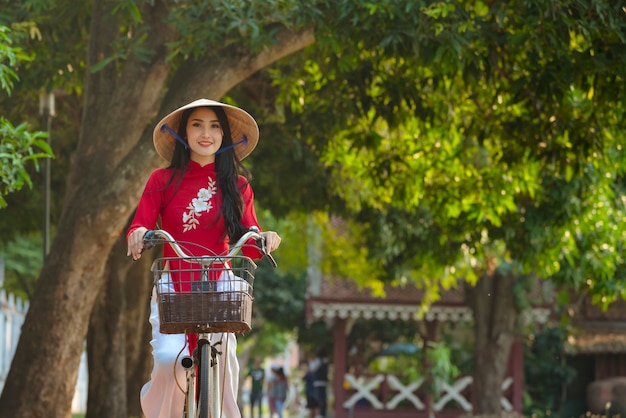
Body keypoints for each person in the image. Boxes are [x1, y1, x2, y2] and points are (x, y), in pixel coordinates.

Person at [126, 98, 282, 418]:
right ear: (183, 132)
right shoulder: (161, 180)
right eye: (197, 124)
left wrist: (265, 239)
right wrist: (138, 234)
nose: (206, 133)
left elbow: (249, 233)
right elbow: (140, 222)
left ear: (224, 135)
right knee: (171, 361)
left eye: (214, 126)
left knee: (225, 363)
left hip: (219, 283)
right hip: (174, 281)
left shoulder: (238, 186)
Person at [312, 347, 329, 418]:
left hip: (318, 382)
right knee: (323, 398)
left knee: (319, 398)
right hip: (324, 382)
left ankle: (321, 414)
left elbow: (313, 368)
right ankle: (323, 413)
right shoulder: (326, 361)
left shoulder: (318, 361)